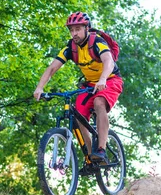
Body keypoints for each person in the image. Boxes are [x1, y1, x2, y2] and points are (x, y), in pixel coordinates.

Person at [33, 11, 123, 164]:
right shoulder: (71, 47)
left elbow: (108, 61)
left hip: (110, 80)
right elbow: (52, 68)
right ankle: (91, 156)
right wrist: (39, 88)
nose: (74, 33)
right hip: (89, 85)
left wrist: (102, 80)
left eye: (77, 29)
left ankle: (101, 149)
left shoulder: (97, 42)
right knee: (79, 116)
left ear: (86, 28)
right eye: (71, 30)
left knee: (99, 102)